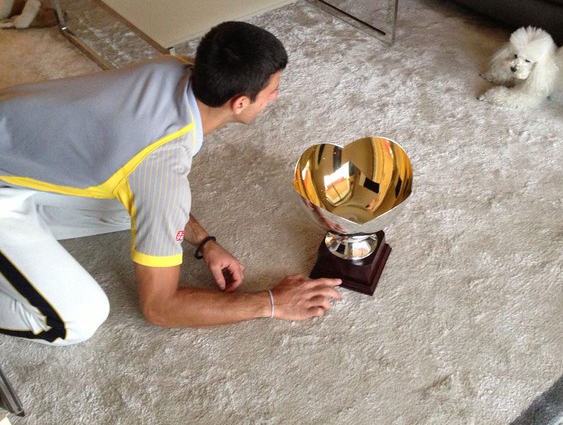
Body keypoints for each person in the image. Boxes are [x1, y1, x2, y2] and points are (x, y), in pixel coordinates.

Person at [0, 21, 342, 346]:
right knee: (78, 318)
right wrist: (271, 302)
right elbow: (160, 308)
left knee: (133, 209)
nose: (274, 99)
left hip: (15, 140)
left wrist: (203, 241)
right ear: (239, 103)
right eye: (273, 90)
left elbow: (156, 192)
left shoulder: (173, 68)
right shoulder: (158, 169)